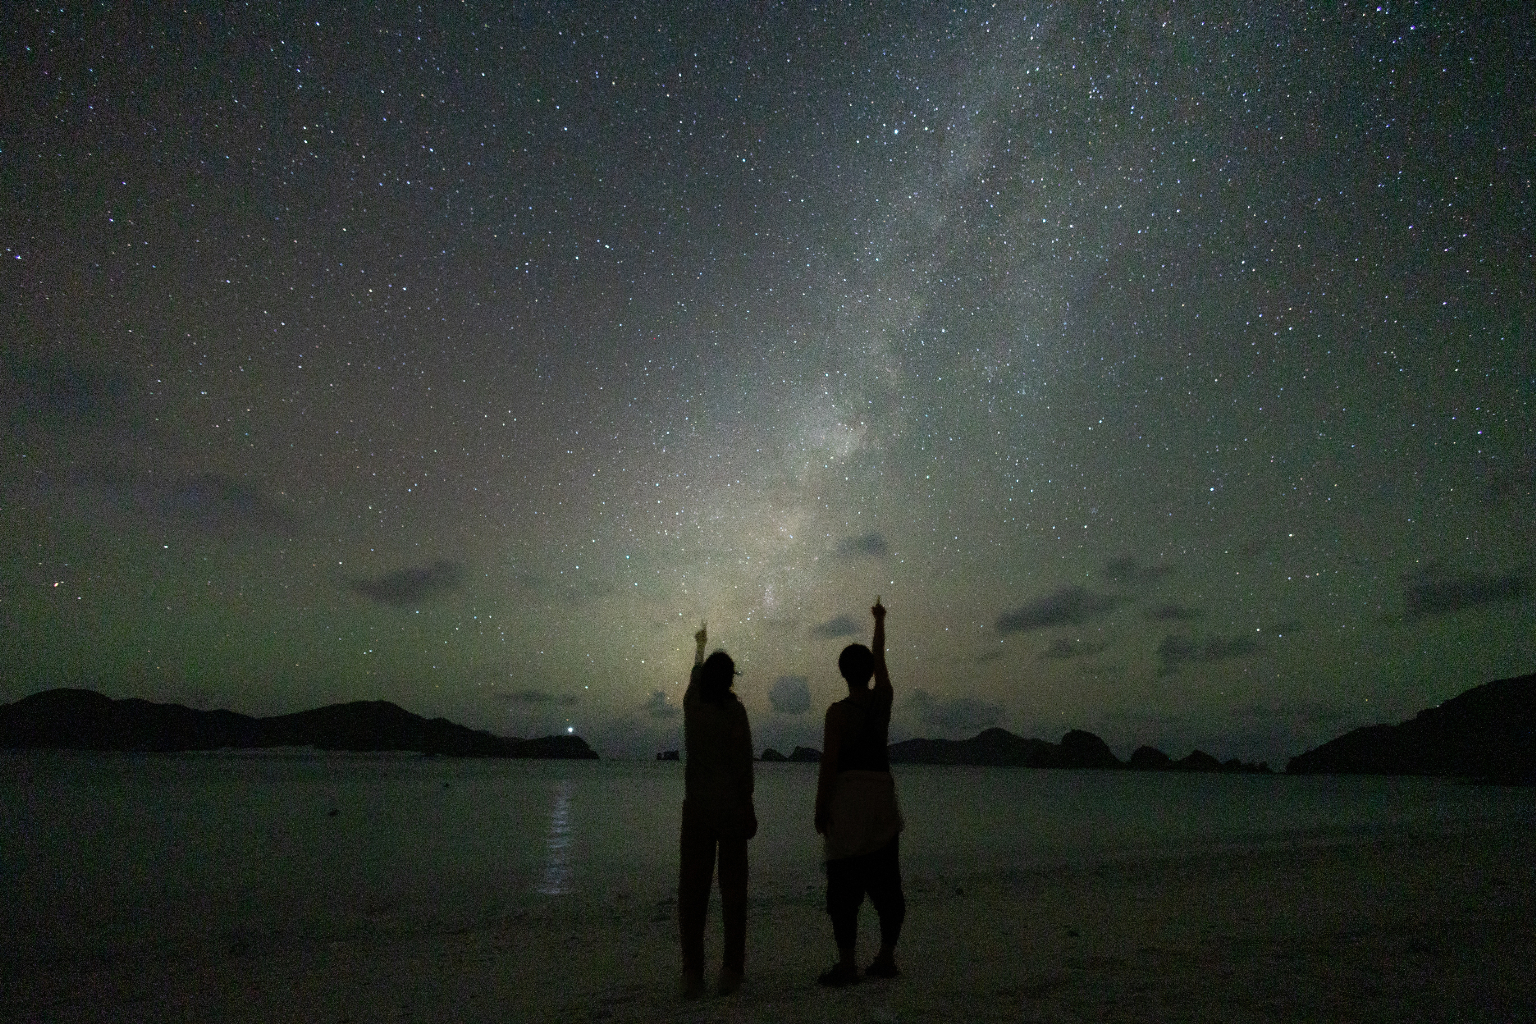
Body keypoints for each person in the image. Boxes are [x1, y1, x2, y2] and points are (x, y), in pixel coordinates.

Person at [814, 597, 906, 986]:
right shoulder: (881, 702)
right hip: (881, 798)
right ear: (867, 671)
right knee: (887, 880)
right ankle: (885, 955)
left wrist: (821, 808)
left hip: (850, 799)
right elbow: (881, 658)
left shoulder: (837, 713)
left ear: (841, 673)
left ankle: (848, 962)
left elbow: (830, 765)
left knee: (844, 885)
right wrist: (879, 622)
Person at [677, 621, 757, 998]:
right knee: (733, 892)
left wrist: (699, 646)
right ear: (729, 681)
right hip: (731, 811)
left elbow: (694, 677)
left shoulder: (692, 707)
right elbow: (744, 766)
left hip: (697, 811)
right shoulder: (734, 713)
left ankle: (693, 971)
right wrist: (748, 806)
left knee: (693, 893)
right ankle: (731, 968)